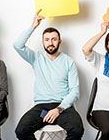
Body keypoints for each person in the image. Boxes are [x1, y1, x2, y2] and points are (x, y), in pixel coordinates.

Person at [13, 9, 84, 140]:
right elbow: (17, 45)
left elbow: (75, 91)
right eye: (47, 40)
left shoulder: (69, 62)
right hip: (41, 108)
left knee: (77, 129)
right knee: (21, 130)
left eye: (54, 39)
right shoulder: (36, 58)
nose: (50, 43)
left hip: (63, 106)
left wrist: (59, 109)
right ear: (43, 43)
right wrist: (33, 26)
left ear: (59, 42)